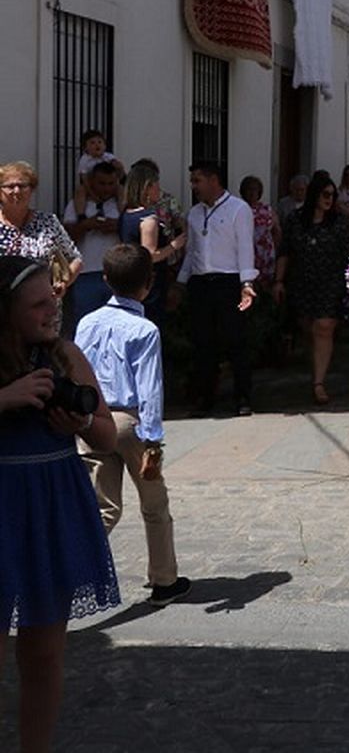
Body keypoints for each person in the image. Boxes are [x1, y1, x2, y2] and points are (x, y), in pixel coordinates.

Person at [0, 255, 120, 752]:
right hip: (4, 508)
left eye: (54, 297)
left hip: (51, 508)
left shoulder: (67, 355)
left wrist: (82, 424)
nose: (53, 309)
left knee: (45, 654)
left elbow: (108, 436)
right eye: (38, 305)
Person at [74, 244, 191, 607]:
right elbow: (150, 389)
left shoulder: (86, 322)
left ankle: (68, 572)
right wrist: (154, 441)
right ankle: (163, 579)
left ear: (106, 279)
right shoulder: (144, 329)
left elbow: (75, 373)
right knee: (154, 503)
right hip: (128, 421)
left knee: (102, 506)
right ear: (149, 283)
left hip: (92, 418)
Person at [176, 161, 258, 417]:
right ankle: (205, 397)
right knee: (203, 343)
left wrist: (247, 284)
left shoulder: (238, 209)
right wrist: (180, 282)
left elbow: (245, 248)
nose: (194, 187)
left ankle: (243, 397)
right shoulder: (194, 213)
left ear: (214, 180)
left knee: (236, 341)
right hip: (201, 283)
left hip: (228, 281)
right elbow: (191, 253)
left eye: (197, 180)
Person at [273, 175, 349, 406]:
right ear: (314, 195)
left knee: (324, 326)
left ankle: (319, 383)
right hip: (301, 282)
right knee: (309, 328)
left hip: (331, 282)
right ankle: (317, 367)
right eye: (325, 195)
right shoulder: (296, 220)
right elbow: (285, 251)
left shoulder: (339, 223)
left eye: (332, 195)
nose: (329, 199)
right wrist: (278, 281)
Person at [119, 160, 186, 326]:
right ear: (147, 187)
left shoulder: (125, 214)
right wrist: (175, 245)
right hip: (150, 281)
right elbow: (149, 255)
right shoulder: (148, 218)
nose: (159, 189)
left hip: (131, 276)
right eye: (156, 185)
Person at [0, 162, 81, 296]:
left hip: (42, 305)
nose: (16, 191)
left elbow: (75, 259)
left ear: (31, 190)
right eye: (9, 186)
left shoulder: (48, 222)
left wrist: (63, 283)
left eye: (22, 186)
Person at [61, 161, 122, 337]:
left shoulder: (120, 204)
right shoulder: (76, 205)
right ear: (92, 182)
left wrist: (118, 226)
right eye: (102, 183)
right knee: (86, 326)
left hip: (116, 274)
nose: (106, 188)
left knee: (115, 328)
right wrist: (86, 225)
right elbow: (65, 238)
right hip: (85, 273)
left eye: (111, 184)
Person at [240, 176, 279, 293]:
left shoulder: (267, 210)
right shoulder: (238, 209)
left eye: (255, 190)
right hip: (246, 255)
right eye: (249, 189)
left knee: (265, 290)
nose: (252, 193)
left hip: (265, 256)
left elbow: (277, 231)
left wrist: (273, 250)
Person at [71, 129, 123, 217]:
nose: (97, 145)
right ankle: (81, 214)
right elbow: (84, 179)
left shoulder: (108, 156)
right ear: (85, 148)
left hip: (110, 184)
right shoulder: (85, 160)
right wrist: (91, 193)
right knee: (80, 191)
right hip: (90, 185)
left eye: (100, 142)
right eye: (92, 143)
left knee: (121, 190)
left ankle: (123, 212)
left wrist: (118, 167)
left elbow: (120, 171)